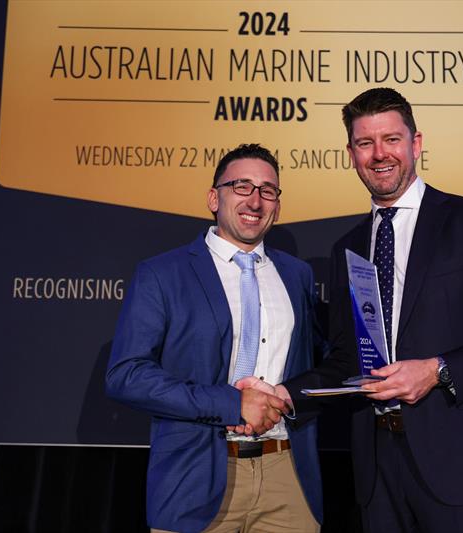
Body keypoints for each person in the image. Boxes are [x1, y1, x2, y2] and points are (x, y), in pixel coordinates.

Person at [238, 88, 463, 532]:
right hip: (379, 468)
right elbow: (348, 359)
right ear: (351, 153)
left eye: (391, 140)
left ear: (416, 144)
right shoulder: (348, 247)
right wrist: (285, 395)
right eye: (365, 143)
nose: (379, 154)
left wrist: (437, 369)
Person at [106, 144, 322, 533]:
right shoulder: (162, 273)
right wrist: (232, 403)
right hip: (195, 477)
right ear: (213, 197)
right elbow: (127, 375)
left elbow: (318, 364)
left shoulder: (297, 275)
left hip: (287, 476)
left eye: (267, 190)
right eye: (241, 186)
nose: (255, 200)